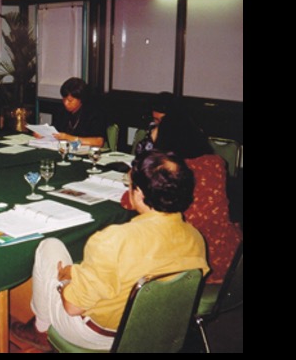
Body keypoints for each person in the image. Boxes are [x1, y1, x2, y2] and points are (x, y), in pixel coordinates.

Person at [12, 150, 210, 351]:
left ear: (139, 193)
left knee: (49, 246)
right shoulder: (195, 238)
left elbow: (72, 308)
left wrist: (64, 281)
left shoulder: (113, 239)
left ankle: (40, 329)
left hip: (99, 336)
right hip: (155, 330)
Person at [121, 112, 242, 284]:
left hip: (191, 261)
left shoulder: (169, 171)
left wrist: (136, 175)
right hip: (228, 255)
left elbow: (128, 201)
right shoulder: (216, 162)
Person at [37, 77, 107, 147]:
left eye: (70, 100)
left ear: (81, 99)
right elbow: (54, 131)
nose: (66, 103)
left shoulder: (93, 113)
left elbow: (99, 142)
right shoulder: (62, 111)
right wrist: (43, 134)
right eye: (64, 99)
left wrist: (68, 138)